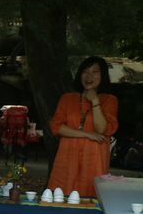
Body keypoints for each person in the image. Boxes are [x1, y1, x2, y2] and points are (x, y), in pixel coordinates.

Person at [47, 56, 118, 197]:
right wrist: (87, 134)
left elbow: (102, 129)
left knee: (91, 200)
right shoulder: (67, 98)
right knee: (61, 198)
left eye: (95, 71)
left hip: (94, 159)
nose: (89, 76)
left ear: (103, 75)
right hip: (67, 157)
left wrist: (95, 101)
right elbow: (56, 127)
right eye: (85, 71)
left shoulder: (110, 100)